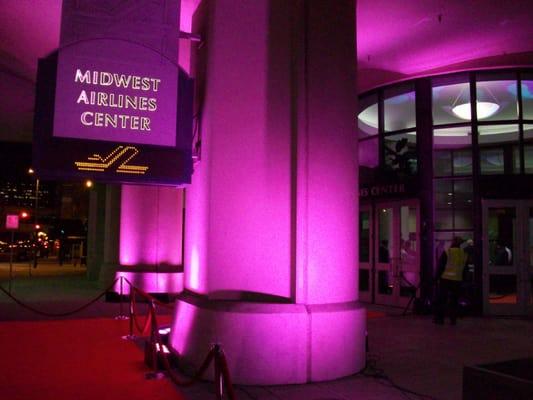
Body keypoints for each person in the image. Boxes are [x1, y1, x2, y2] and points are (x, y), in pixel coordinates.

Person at [434, 236, 467, 325]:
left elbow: (441, 266)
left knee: (442, 300)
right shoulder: (463, 254)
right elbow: (465, 269)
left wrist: (436, 278)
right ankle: (453, 319)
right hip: (457, 280)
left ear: (453, 242)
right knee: (454, 301)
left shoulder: (448, 252)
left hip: (445, 279)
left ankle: (440, 319)